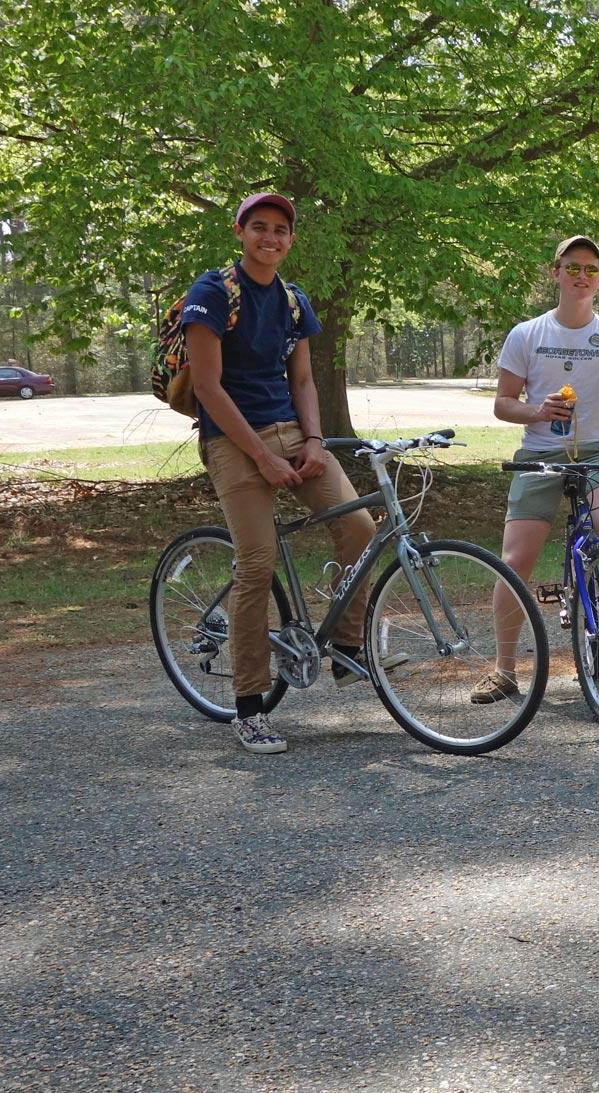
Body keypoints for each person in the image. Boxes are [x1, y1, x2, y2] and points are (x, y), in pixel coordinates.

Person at [182, 192, 374, 755]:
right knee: (257, 565)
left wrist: (313, 440)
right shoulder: (213, 292)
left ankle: (344, 645)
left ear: (291, 239)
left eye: (281, 230)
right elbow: (207, 387)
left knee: (361, 528)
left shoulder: (294, 300)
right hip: (232, 441)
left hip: (290, 432)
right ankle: (249, 707)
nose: (271, 237)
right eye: (259, 227)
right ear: (239, 231)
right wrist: (261, 458)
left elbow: (305, 382)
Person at [472, 235, 599, 705]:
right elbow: (502, 404)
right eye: (573, 267)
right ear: (555, 273)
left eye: (592, 269)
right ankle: (504, 668)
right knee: (515, 561)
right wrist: (537, 411)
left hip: (598, 450)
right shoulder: (527, 334)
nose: (582, 276)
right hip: (540, 451)